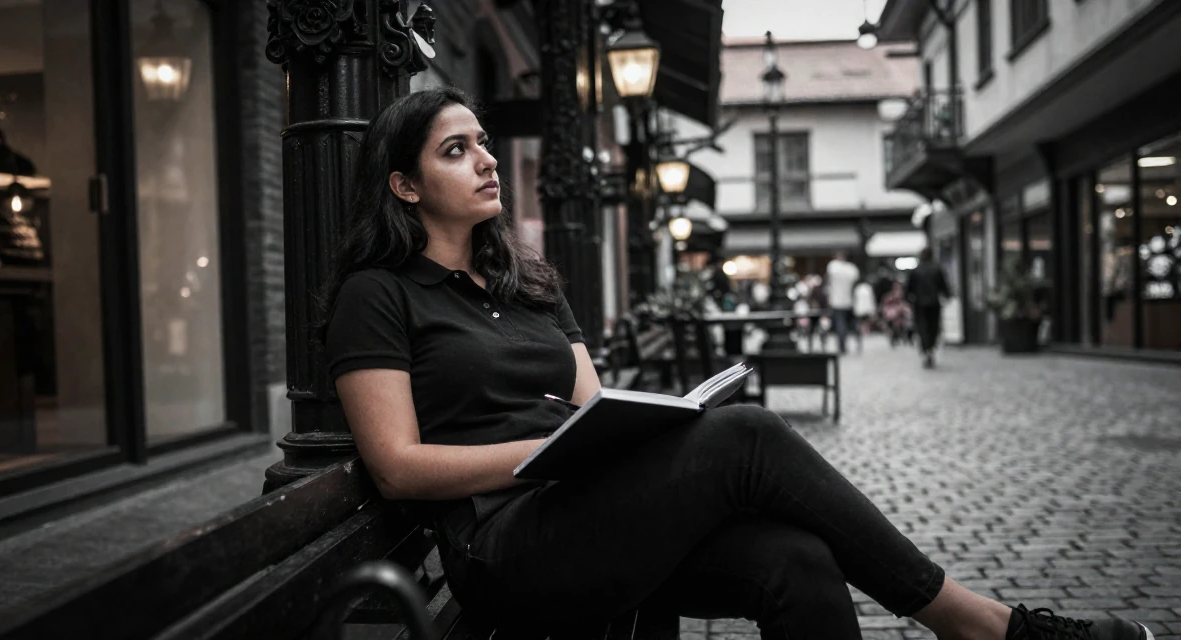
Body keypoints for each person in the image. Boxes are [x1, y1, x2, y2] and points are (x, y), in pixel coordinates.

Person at [322, 88, 1151, 640]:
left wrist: (620, 433)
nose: (488, 160)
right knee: (746, 434)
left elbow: (589, 404)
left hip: (584, 511)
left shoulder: (528, 280)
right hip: (504, 549)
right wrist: (544, 456)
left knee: (798, 561)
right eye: (457, 150)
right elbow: (395, 468)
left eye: (486, 144)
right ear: (404, 185)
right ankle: (987, 627)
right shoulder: (378, 294)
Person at [906, 248, 953, 368]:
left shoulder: (915, 271)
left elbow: (908, 288)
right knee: (933, 327)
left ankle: (926, 349)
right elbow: (944, 286)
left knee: (922, 328)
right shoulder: (936, 269)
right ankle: (930, 348)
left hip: (920, 304)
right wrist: (947, 295)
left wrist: (908, 299)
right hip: (933, 303)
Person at [824, 251, 860, 355]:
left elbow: (828, 282)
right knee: (848, 323)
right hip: (849, 301)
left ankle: (842, 345)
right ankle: (851, 343)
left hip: (836, 301)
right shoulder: (851, 268)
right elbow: (855, 285)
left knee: (840, 324)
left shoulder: (832, 266)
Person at [852, 278, 877, 353]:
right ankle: (866, 333)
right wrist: (873, 309)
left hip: (859, 310)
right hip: (867, 309)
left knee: (858, 325)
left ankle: (859, 337)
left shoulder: (857, 289)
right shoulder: (868, 288)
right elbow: (872, 299)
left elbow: (855, 300)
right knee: (866, 324)